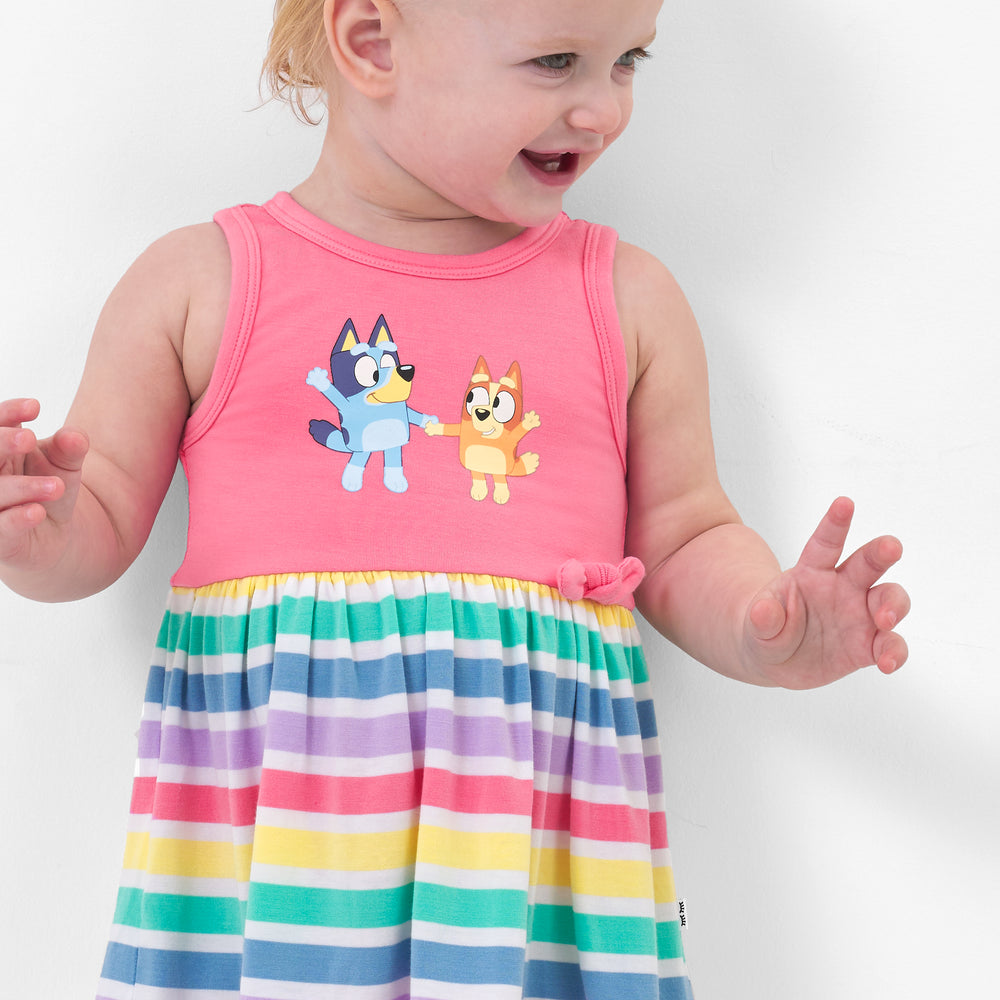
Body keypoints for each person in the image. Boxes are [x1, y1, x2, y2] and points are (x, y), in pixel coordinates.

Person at [0, 0, 910, 997]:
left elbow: (685, 531)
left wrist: (759, 625)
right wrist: (37, 528)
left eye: (626, 62)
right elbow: (96, 523)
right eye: (558, 61)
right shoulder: (201, 281)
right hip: (283, 857)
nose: (601, 109)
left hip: (526, 856)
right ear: (372, 43)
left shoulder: (624, 298)